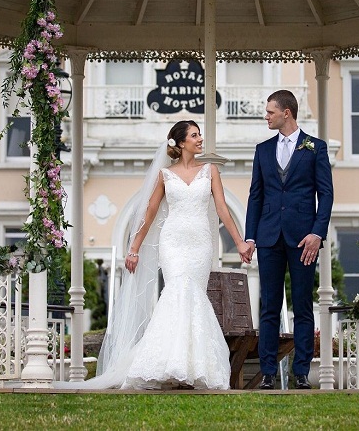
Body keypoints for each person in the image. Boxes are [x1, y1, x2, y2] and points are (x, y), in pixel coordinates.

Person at [60, 120, 253, 390]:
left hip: (199, 243)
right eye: (195, 135)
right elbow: (149, 213)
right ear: (181, 142)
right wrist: (134, 249)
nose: (200, 139)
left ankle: (193, 365)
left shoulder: (211, 171)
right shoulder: (165, 175)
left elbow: (222, 209)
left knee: (194, 296)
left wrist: (240, 242)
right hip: (173, 242)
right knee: (177, 292)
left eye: (200, 134)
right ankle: (165, 364)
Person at [245, 89, 333, 390]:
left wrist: (316, 233)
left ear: (287, 112)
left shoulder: (316, 148)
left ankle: (300, 373)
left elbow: (327, 194)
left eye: (270, 111)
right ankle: (268, 373)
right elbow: (255, 196)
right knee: (269, 305)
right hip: (269, 237)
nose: (266, 116)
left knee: (303, 306)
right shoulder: (263, 150)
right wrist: (250, 237)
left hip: (303, 239)